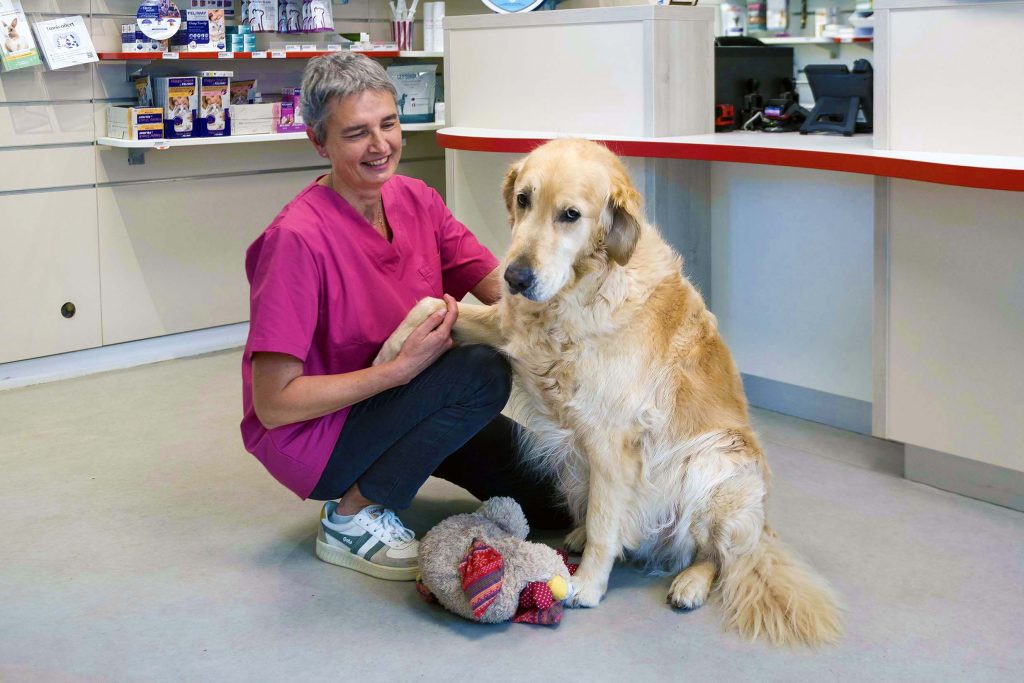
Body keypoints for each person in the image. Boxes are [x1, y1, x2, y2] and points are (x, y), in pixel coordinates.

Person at [240, 53, 569, 583]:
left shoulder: (416, 199)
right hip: (320, 436)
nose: (380, 145)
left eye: (388, 124)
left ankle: (398, 462)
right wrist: (397, 372)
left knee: (559, 503)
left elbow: (506, 295)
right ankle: (351, 516)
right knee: (482, 371)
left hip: (409, 401)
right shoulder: (295, 241)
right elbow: (274, 405)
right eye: (356, 133)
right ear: (319, 143)